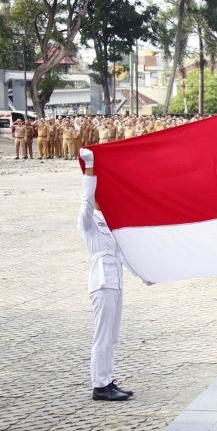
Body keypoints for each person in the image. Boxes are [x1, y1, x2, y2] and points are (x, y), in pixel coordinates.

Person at [78, 148, 135, 401]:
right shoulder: (88, 223)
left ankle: (107, 379)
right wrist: (90, 168)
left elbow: (124, 256)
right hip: (101, 281)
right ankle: (99, 386)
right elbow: (86, 201)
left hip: (116, 281)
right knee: (102, 334)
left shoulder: (111, 223)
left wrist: (146, 275)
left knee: (112, 335)